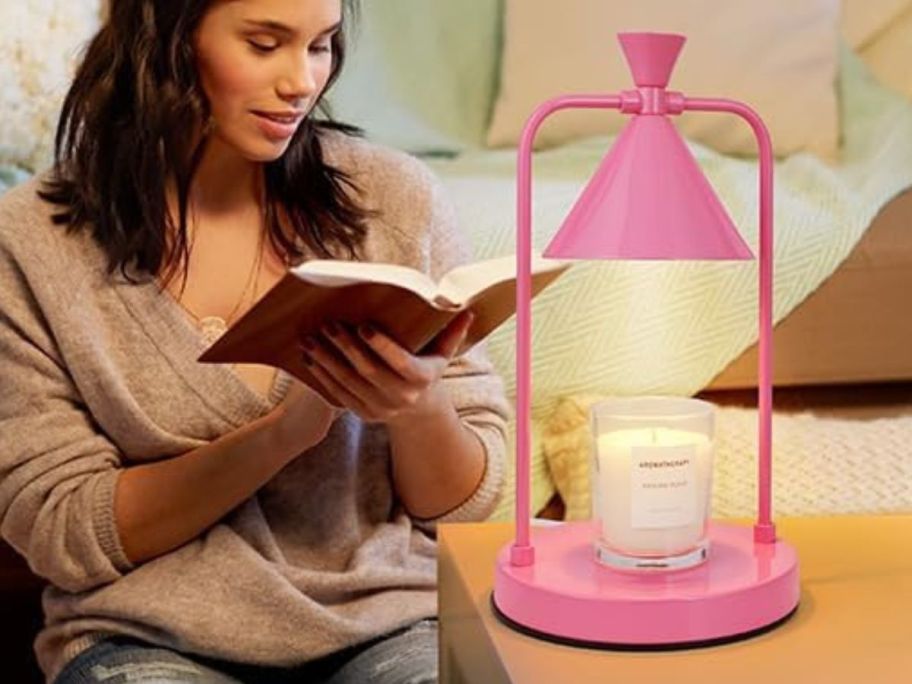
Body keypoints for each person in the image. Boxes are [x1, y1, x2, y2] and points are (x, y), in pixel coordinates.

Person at [0, 1, 510, 682]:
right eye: (265, 44)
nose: (303, 81)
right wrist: (283, 434)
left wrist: (417, 407)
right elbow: (63, 531)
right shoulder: (29, 246)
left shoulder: (394, 199)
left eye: (322, 46)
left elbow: (466, 505)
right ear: (169, 39)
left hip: (385, 624)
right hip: (146, 637)